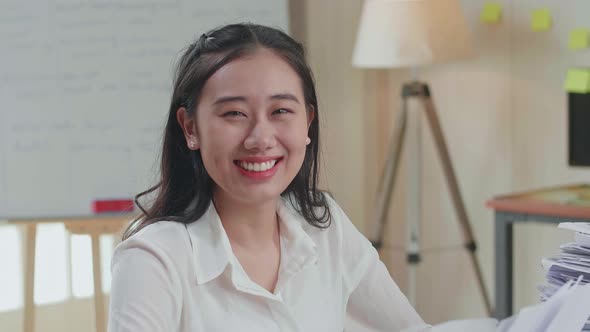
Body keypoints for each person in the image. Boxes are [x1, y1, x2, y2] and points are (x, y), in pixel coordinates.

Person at [108, 23, 430, 332]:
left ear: (308, 122)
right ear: (190, 128)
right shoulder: (152, 260)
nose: (260, 138)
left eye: (280, 111)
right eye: (234, 113)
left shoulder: (325, 226)